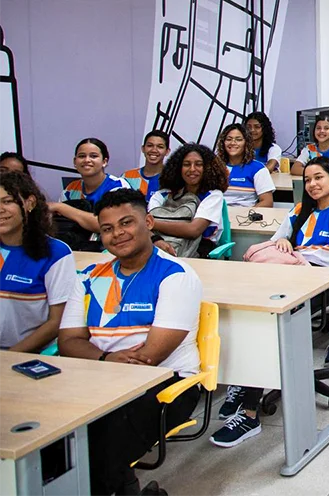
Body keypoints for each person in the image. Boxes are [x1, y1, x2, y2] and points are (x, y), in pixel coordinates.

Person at [57, 188, 202, 496]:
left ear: (148, 222)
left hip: (165, 387)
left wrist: (94, 354)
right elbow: (68, 341)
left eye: (126, 223)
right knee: (52, 436)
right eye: (107, 229)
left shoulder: (175, 275)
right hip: (99, 378)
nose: (117, 234)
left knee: (97, 447)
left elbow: (148, 358)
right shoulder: (88, 276)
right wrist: (105, 359)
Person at [213, 156, 329, 448]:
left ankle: (248, 412)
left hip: (323, 280)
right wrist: (283, 242)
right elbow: (274, 243)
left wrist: (312, 279)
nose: (312, 184)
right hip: (289, 274)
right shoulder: (298, 211)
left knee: (266, 329)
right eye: (307, 180)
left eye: (319, 178)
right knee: (248, 316)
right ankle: (242, 383)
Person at [0, 171, 76, 353]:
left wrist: (9, 356)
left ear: (30, 203)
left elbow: (57, 321)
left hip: (29, 354)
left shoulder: (56, 253)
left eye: (7, 201)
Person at [147, 143, 228, 258]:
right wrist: (156, 239)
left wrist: (152, 224)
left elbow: (193, 230)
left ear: (207, 168)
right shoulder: (161, 195)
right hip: (157, 245)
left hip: (199, 251)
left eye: (198, 164)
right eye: (186, 164)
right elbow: (144, 228)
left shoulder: (213, 195)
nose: (192, 169)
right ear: (178, 168)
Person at [49, 138, 132, 236]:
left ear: (104, 162)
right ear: (75, 162)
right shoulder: (70, 190)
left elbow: (109, 225)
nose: (87, 160)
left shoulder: (118, 186)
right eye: (82, 156)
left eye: (93, 156)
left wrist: (62, 207)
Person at [217, 123, 274, 208]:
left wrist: (246, 215)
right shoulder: (214, 166)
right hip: (216, 216)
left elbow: (267, 202)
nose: (233, 143)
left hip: (244, 218)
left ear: (246, 143)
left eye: (238, 139)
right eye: (229, 139)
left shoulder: (258, 168)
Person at [123, 130, 168, 201]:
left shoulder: (173, 179)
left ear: (167, 151)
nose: (154, 150)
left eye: (160, 147)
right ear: (143, 149)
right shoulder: (127, 177)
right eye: (150, 145)